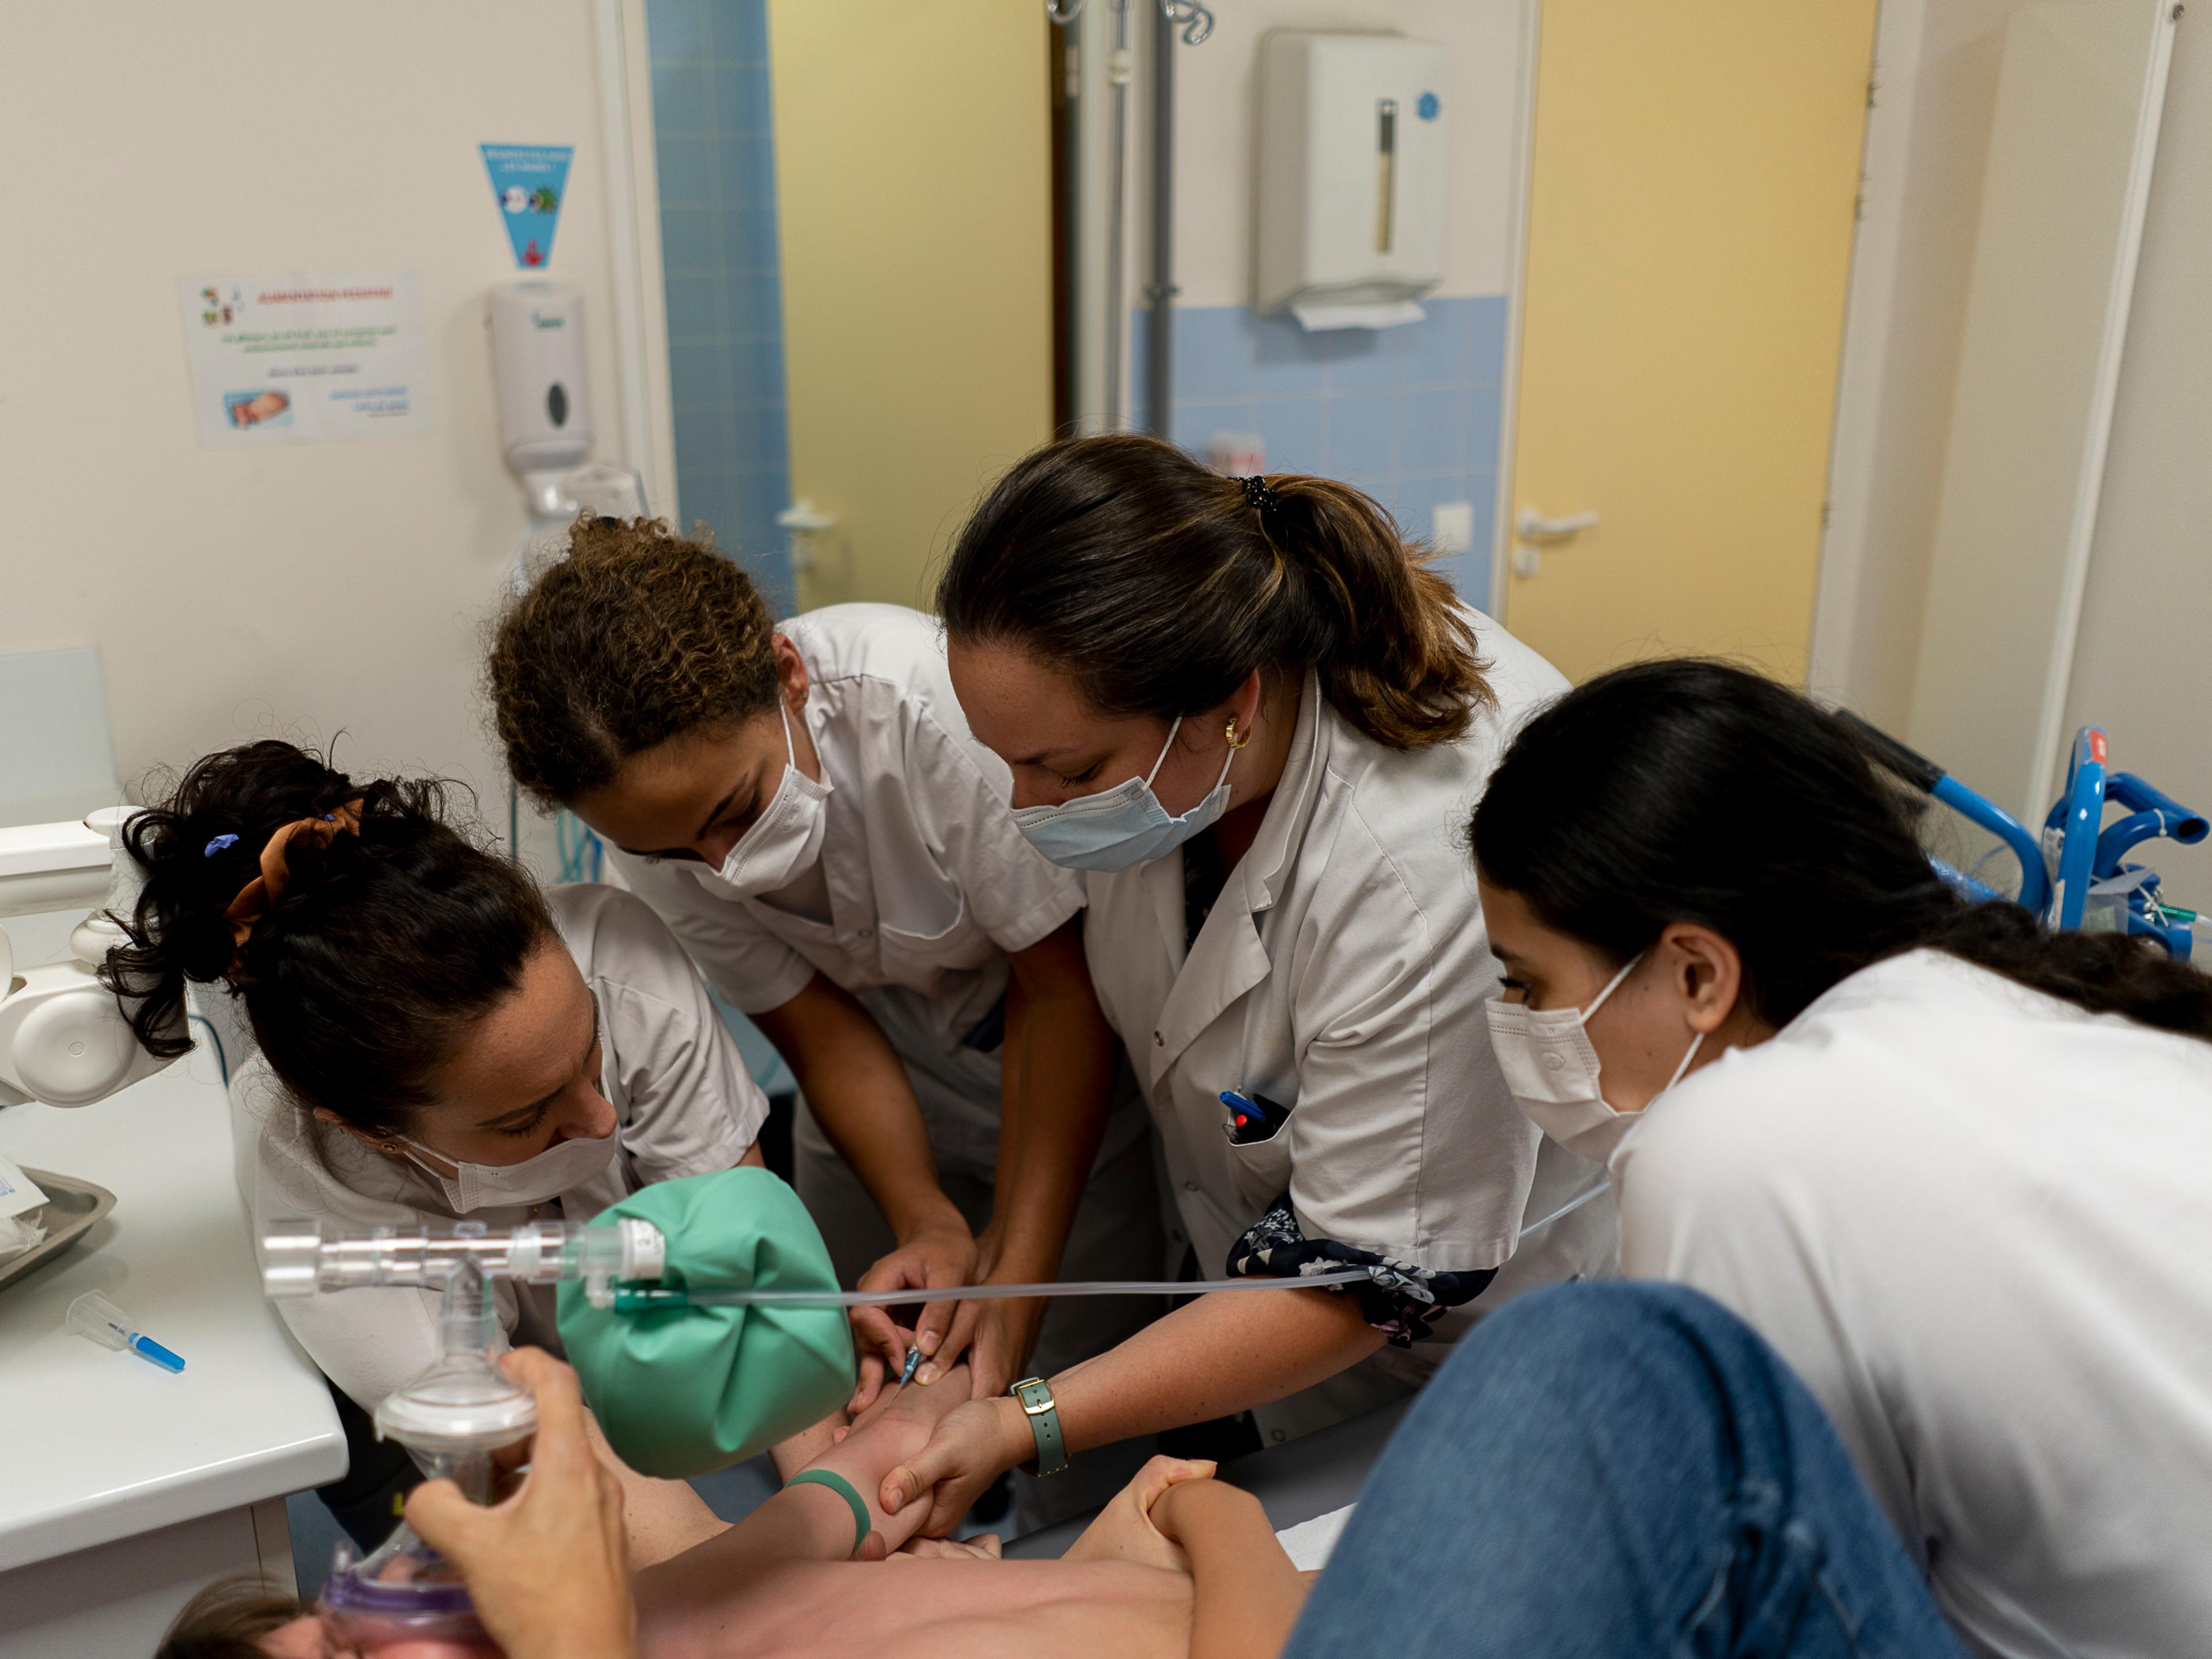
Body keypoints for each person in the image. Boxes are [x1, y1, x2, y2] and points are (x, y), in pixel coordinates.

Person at [886, 434, 1615, 1533]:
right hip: (1259, 1303)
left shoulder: (1423, 872)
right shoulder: (1185, 759)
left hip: (1452, 1371)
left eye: (1068, 772)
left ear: (1230, 699)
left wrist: (1026, 1419)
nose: (1027, 807)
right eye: (1008, 764)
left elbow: (1359, 1279)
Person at [1424, 657, 2212, 1654]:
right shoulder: (2037, 1009)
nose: (1517, 1023)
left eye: (1528, 986)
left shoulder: (1730, 1148)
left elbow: (1775, 1600)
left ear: (1699, 972)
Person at [486, 519, 1161, 1495]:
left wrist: (1017, 1293)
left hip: (1060, 1056)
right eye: (677, 854)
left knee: (1057, 1407)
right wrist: (925, 1215)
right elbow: (821, 1030)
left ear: (788, 672)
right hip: (880, 1072)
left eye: (733, 811)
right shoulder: (654, 834)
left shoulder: (930, 712)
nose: (719, 867)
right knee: (853, 1383)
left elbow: (1058, 991)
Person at [107, 741, 768, 1429]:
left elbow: (745, 1281)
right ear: (371, 1130)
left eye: (591, 1050)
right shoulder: (334, 1234)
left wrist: (839, 1464)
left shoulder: (619, 962)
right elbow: (554, 1490)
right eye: (524, 1120)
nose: (603, 1119)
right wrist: (833, 1505)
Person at [158, 1346, 1320, 1659]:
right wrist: (1213, 1527)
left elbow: (826, 1505)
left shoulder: (661, 1607)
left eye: (342, 1605)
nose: (394, 1601)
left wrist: (922, 1423)